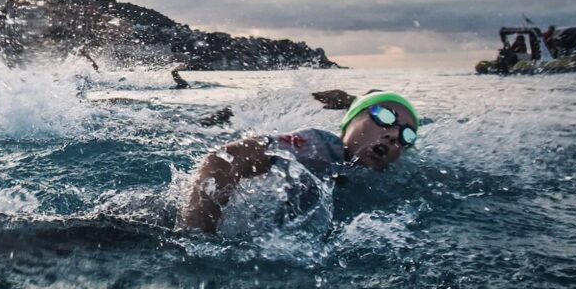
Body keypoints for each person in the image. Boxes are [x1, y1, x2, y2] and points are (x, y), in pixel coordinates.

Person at [179, 91, 419, 234]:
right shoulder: (317, 146)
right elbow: (222, 160)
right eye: (385, 117)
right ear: (350, 122)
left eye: (407, 136)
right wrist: (198, 237)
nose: (394, 136)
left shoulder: (392, 181)